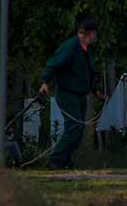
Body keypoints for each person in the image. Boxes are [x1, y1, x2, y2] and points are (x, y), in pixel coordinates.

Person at [39, 18, 103, 169]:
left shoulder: (86, 50)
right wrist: (45, 82)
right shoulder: (70, 47)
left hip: (80, 95)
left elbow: (88, 73)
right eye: (95, 34)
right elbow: (53, 64)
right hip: (67, 93)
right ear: (89, 33)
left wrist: (95, 91)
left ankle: (65, 161)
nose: (95, 37)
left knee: (78, 130)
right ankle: (55, 159)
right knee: (73, 126)